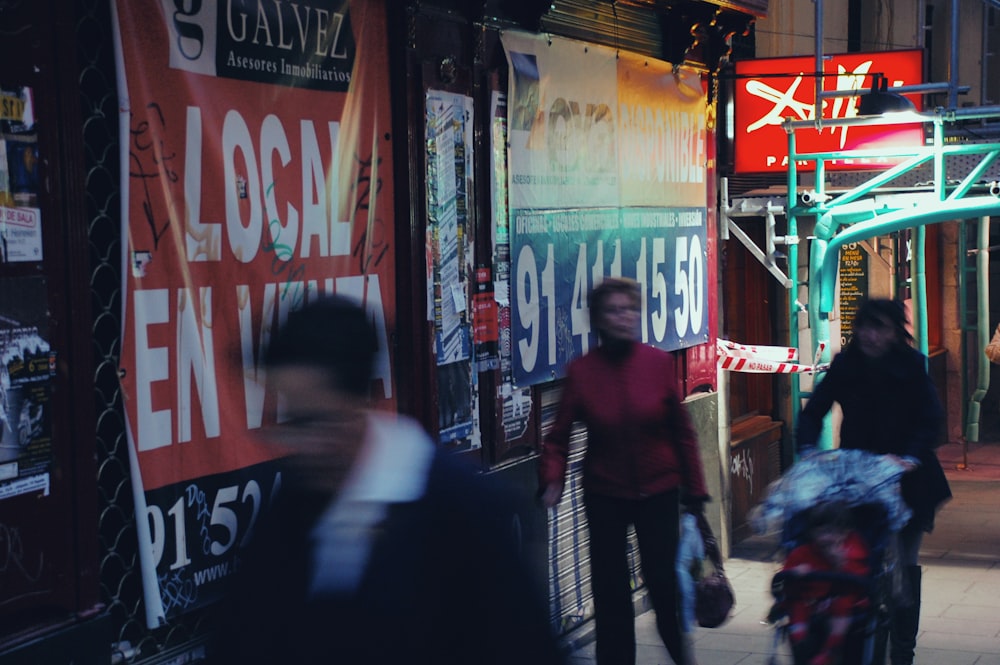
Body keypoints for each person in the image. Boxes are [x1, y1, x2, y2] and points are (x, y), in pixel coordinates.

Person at [213, 295, 565, 665]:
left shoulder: (461, 508)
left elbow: (523, 644)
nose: (304, 443)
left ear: (358, 405)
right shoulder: (290, 515)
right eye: (289, 424)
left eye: (315, 421)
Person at [539, 277, 710, 665]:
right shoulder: (583, 372)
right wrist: (552, 478)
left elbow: (682, 433)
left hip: (659, 490)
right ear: (597, 318)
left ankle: (681, 655)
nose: (624, 318)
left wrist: (695, 489)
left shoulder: (657, 364)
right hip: (605, 494)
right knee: (611, 592)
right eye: (614, 310)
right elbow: (558, 435)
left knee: (664, 585)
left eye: (630, 309)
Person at [796, 298, 951, 665]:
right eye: (864, 326)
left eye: (879, 327)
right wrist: (807, 450)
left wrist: (909, 457)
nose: (869, 335)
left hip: (907, 477)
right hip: (860, 475)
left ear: (895, 332)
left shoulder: (912, 365)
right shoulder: (846, 363)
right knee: (860, 559)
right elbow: (816, 408)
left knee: (904, 562)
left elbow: (930, 419)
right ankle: (866, 638)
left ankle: (902, 650)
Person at [780, 503, 871, 665]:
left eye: (834, 532)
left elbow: (860, 579)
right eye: (821, 532)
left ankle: (830, 650)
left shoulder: (853, 550)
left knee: (842, 608)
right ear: (812, 533)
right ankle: (800, 640)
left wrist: (841, 565)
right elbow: (787, 574)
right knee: (796, 605)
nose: (827, 537)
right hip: (810, 598)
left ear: (845, 533)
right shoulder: (804, 552)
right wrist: (796, 572)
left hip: (841, 596)